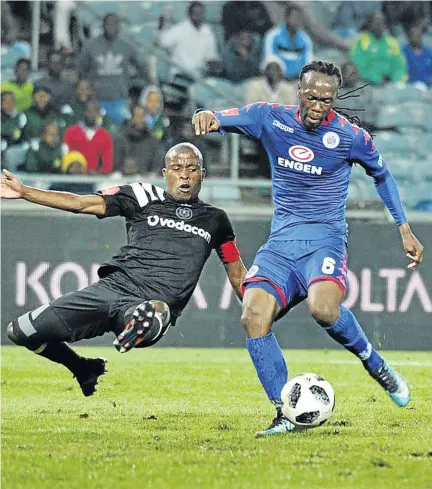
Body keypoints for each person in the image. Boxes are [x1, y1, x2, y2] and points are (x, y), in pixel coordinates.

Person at [192, 60, 424, 437]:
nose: (319, 105)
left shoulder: (349, 136)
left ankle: (374, 364)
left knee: (323, 308)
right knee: (252, 316)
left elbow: (381, 174)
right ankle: (284, 412)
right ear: (299, 92)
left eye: (327, 99)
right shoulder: (271, 119)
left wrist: (404, 228)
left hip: (325, 241)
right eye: (313, 97)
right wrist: (205, 116)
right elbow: (223, 117)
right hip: (281, 245)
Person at [1, 143, 247, 397]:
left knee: (152, 312)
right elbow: (81, 203)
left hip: (147, 304)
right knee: (20, 332)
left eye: (192, 168)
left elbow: (238, 274)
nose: (184, 174)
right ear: (165, 173)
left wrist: (259, 312)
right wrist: (23, 192)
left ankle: (152, 316)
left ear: (202, 174)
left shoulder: (216, 220)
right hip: (111, 290)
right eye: (176, 168)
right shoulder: (141, 195)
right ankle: (83, 368)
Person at [78, 13, 150, 125]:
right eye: (108, 24)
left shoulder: (126, 46)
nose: (111, 27)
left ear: (119, 27)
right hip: (96, 99)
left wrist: (136, 85)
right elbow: (81, 71)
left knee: (119, 130)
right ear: (103, 26)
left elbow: (142, 68)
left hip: (119, 100)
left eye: (115, 24)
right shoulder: (90, 46)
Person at [155, 1, 219, 80]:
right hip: (180, 75)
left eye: (201, 14)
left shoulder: (208, 32)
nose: (199, 17)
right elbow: (162, 42)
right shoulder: (179, 30)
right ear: (189, 15)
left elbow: (212, 56)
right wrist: (161, 26)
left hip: (200, 77)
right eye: (196, 14)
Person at [349, 12, 407, 85]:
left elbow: (399, 65)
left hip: (391, 84)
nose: (379, 25)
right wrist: (377, 80)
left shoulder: (392, 42)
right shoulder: (361, 41)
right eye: (376, 22)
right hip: (368, 83)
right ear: (369, 24)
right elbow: (359, 66)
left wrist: (396, 80)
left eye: (382, 22)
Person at [262, 3, 313, 80]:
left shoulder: (305, 39)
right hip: (277, 80)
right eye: (294, 17)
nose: (297, 21)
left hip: (297, 80)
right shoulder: (272, 35)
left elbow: (308, 63)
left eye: (299, 18)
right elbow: (268, 60)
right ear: (286, 18)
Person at [63, 100, 113, 175]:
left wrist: (98, 173)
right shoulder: (71, 132)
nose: (91, 114)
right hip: (74, 177)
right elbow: (66, 158)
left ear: (99, 113)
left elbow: (107, 164)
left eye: (94, 111)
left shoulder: (105, 135)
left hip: (96, 179)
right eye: (89, 111)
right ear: (84, 112)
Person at [114, 104, 165, 175]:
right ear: (132, 117)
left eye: (142, 116)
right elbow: (116, 162)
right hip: (124, 178)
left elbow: (157, 163)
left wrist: (152, 173)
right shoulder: (121, 138)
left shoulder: (153, 139)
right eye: (137, 116)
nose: (139, 119)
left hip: (146, 179)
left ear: (145, 117)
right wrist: (123, 168)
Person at [402, 24, 432, 90]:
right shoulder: (404, 51)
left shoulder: (428, 52)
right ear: (409, 38)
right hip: (410, 86)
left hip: (428, 86)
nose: (417, 38)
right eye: (414, 36)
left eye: (419, 36)